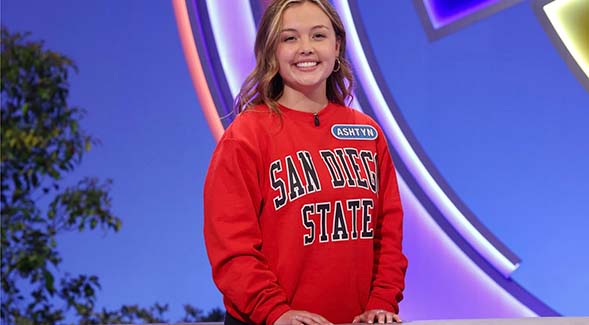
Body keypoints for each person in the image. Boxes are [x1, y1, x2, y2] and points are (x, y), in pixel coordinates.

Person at [203, 0, 408, 324]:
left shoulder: (366, 133)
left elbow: (388, 236)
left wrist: (382, 303)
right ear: (272, 50)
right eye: (290, 38)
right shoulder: (246, 136)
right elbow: (231, 247)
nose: (306, 49)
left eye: (318, 35)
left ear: (337, 44)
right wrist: (276, 313)